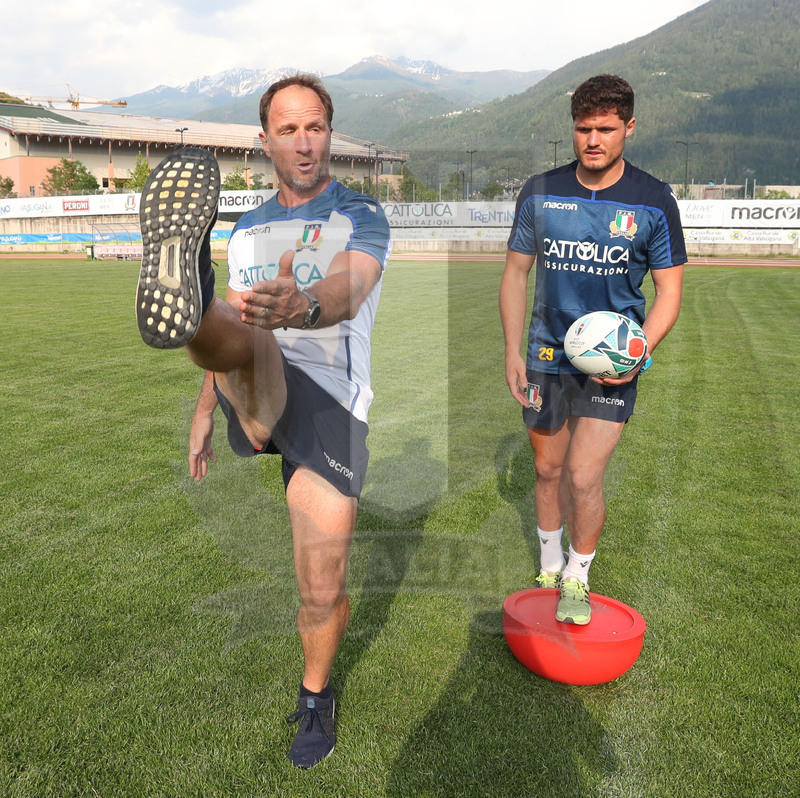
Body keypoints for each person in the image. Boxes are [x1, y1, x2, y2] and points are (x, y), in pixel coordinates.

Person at [135, 73, 391, 768]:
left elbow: (349, 286)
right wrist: (200, 410)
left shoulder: (362, 214)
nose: (304, 142)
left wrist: (303, 304)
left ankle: (315, 695)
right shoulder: (248, 228)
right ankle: (192, 302)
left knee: (320, 584)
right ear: (264, 141)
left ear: (330, 134)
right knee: (246, 338)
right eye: (288, 129)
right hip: (250, 368)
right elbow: (247, 330)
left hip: (329, 397)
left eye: (315, 127)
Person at [499, 74, 686, 626]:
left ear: (629, 127)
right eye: (584, 129)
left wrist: (638, 350)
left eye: (606, 129)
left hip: (612, 365)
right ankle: (550, 560)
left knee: (583, 476)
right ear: (573, 129)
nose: (593, 140)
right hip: (545, 358)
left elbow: (670, 291)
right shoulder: (539, 191)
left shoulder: (653, 202)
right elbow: (515, 274)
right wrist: (513, 350)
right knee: (548, 469)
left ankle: (578, 574)